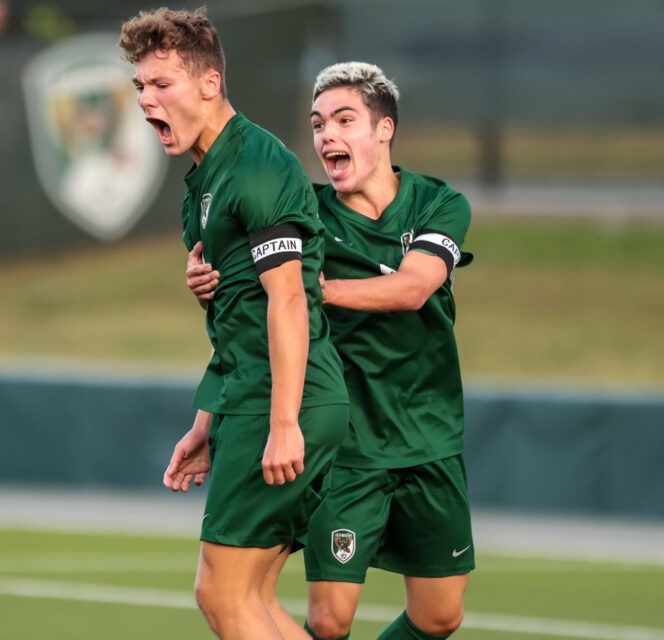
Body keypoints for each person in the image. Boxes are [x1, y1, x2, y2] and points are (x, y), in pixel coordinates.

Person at [188, 62, 475, 640]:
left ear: (384, 129)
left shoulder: (438, 204)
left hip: (429, 433)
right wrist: (207, 282)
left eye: (345, 120)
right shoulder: (306, 212)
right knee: (328, 618)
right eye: (318, 124)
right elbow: (253, 312)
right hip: (347, 442)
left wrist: (313, 289)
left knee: (441, 615)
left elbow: (414, 287)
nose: (326, 137)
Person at [121, 9, 350, 639]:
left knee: (220, 592)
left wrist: (283, 423)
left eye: (161, 84)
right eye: (140, 86)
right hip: (251, 399)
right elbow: (239, 317)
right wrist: (205, 422)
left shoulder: (255, 165)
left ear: (209, 84)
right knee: (252, 596)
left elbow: (289, 302)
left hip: (281, 403)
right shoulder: (202, 183)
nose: (146, 100)